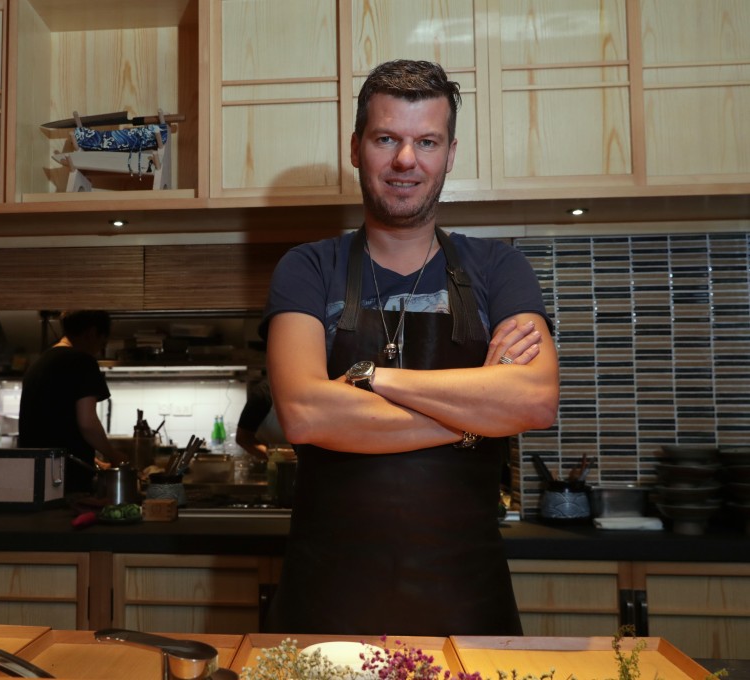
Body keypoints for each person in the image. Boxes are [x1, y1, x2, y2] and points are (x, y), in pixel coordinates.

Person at [260, 60, 560, 636]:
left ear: (450, 153)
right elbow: (303, 413)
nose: (406, 160)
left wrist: (373, 379)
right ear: (356, 148)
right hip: (327, 602)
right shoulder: (308, 268)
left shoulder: (500, 269)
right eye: (386, 139)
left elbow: (534, 401)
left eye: (427, 141)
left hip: (467, 602)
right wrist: (477, 418)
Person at [17, 310, 127, 492]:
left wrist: (90, 460)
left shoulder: (40, 362)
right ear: (92, 333)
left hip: (35, 475)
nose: (99, 349)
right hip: (65, 479)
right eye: (102, 342)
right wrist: (114, 455)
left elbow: (51, 423)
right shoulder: (82, 361)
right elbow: (87, 423)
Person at [235, 375, 288, 461]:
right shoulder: (262, 394)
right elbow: (243, 438)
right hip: (264, 465)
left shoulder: (311, 394)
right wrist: (277, 459)